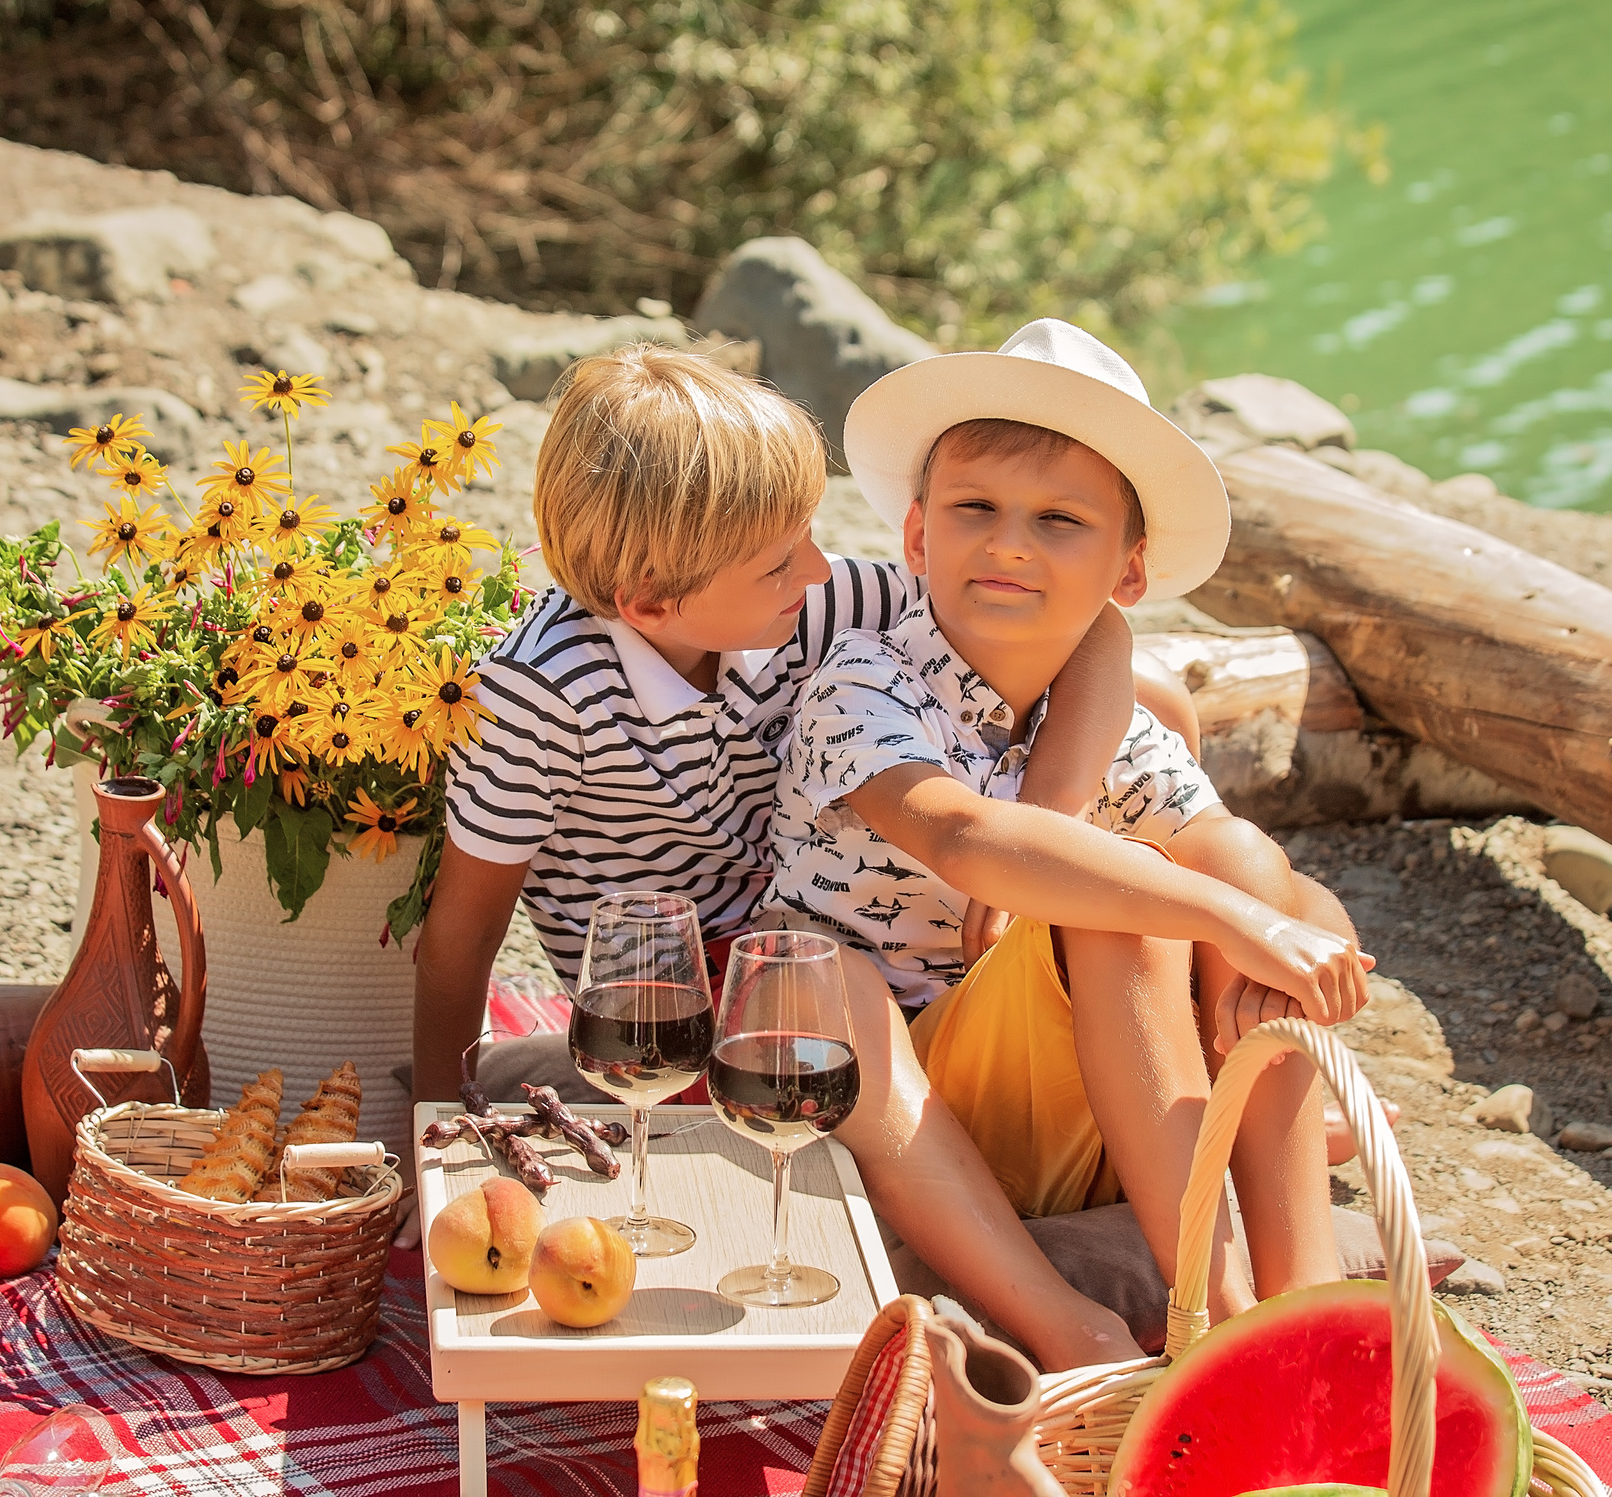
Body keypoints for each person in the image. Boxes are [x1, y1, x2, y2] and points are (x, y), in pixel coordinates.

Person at [414, 344, 1162, 1368]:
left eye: (806, 537)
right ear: (646, 603)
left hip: (834, 944)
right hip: (672, 1015)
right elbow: (462, 933)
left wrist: (1056, 810)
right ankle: (1054, 1291)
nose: (818, 569)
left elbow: (1098, 638)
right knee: (823, 1005)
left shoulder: (808, 600)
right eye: (782, 558)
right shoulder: (535, 696)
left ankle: (1172, 1138)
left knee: (1095, 905)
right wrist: (436, 1130)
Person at [761, 318, 1373, 1319]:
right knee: (1125, 901)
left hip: (1089, 1101)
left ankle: (1297, 1286)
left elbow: (1244, 878)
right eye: (975, 508)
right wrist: (1230, 921)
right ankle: (1212, 1309)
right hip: (915, 1102)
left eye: (1058, 521)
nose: (1007, 541)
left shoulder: (1112, 728)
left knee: (1241, 861)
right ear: (918, 535)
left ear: (1126, 572)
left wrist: (1261, 913)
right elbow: (963, 838)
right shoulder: (865, 686)